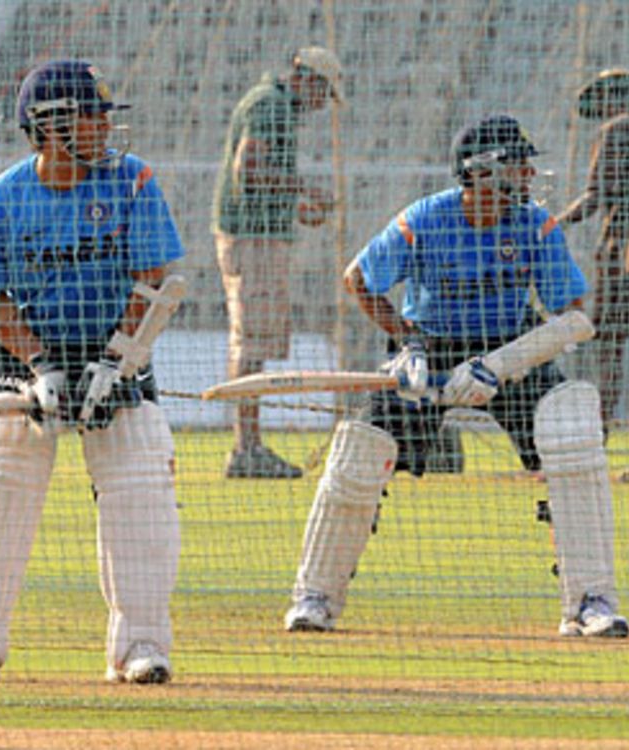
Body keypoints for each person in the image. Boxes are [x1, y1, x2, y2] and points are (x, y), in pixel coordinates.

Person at [282, 114, 627, 640]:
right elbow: (358, 279)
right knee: (358, 449)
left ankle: (590, 600)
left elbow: (575, 314)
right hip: (432, 351)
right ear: (483, 172)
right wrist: (408, 342)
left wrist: (501, 365)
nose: (530, 175)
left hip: (512, 348)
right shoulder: (425, 219)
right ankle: (316, 596)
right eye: (519, 164)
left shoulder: (536, 224)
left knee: (572, 428)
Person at [0, 60, 185, 684]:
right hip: (23, 360)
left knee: (141, 480)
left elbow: (153, 280)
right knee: (1, 483)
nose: (106, 126)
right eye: (93, 114)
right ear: (50, 127)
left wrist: (112, 362)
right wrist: (42, 369)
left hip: (115, 352)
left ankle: (139, 646)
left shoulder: (133, 183)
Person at [211, 46, 345, 479]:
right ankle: (246, 448)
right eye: (324, 93)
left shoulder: (271, 105)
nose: (323, 104)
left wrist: (296, 208)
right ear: (309, 80)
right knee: (251, 344)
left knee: (256, 342)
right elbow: (248, 169)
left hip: (259, 234)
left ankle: (248, 446)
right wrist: (304, 188)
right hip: (254, 241)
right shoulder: (271, 106)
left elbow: (258, 179)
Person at [556, 68, 629, 430]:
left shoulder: (616, 131)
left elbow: (595, 195)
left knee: (611, 344)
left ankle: (599, 430)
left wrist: (557, 223)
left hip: (621, 252)